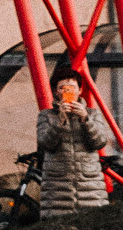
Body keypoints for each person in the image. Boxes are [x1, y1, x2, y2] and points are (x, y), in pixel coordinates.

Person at [33, 70, 109, 219]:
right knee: (58, 228)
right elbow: (46, 144)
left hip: (90, 186)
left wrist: (85, 119)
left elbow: (99, 142)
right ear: (56, 92)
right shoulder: (46, 115)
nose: (67, 92)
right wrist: (60, 121)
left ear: (79, 90)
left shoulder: (92, 114)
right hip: (57, 187)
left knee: (91, 226)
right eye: (62, 88)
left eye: (72, 88)